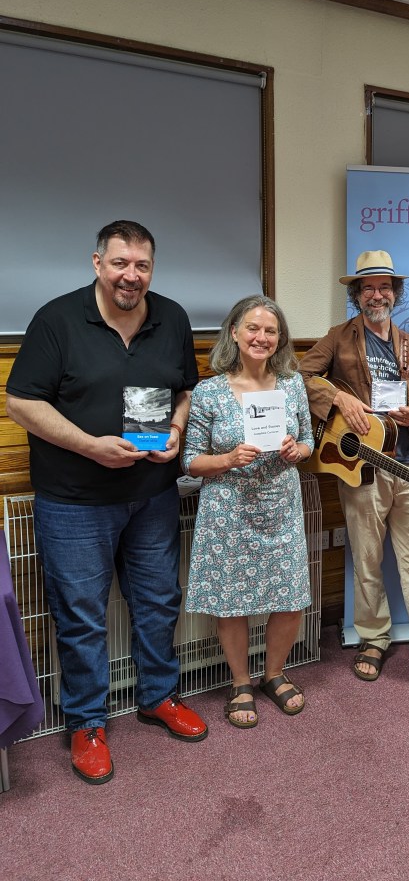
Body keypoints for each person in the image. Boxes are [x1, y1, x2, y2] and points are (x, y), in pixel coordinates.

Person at [6, 220, 207, 785]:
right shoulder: (57, 319)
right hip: (74, 501)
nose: (131, 276)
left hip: (153, 495)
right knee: (81, 616)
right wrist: (89, 446)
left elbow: (185, 389)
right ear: (98, 263)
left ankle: (159, 697)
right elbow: (21, 403)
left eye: (142, 265)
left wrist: (176, 429)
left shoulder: (172, 317)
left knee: (159, 602)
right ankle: (87, 722)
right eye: (120, 263)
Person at [301, 250, 409, 699]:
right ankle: (373, 639)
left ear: (395, 293)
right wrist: (338, 399)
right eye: (367, 288)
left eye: (384, 287)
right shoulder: (337, 338)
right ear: (357, 295)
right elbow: (300, 377)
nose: (376, 295)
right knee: (367, 562)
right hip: (361, 468)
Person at [182, 295, 313, 726]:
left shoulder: (292, 383)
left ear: (280, 338)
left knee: (290, 596)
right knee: (232, 602)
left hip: (281, 507)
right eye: (253, 328)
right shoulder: (209, 392)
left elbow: (309, 440)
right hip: (228, 509)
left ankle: (274, 674)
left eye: (270, 331)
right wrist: (227, 459)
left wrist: (297, 450)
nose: (261, 337)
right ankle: (240, 682)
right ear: (234, 333)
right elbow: (190, 461)